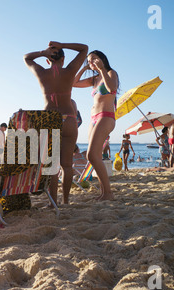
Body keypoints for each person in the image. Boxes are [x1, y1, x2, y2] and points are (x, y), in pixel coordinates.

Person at [24, 41, 88, 206]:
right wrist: (62, 45)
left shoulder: (41, 73)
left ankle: (53, 203)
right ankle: (65, 201)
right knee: (67, 165)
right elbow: (84, 48)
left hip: (50, 119)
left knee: (52, 166)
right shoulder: (70, 71)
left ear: (47, 60)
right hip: (69, 118)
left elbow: (27, 58)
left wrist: (42, 52)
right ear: (64, 59)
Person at [73, 50, 119, 200]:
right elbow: (73, 83)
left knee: (92, 155)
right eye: (89, 61)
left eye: (94, 59)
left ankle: (109, 193)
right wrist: (85, 68)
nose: (91, 62)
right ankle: (104, 192)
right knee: (95, 156)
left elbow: (111, 88)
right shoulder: (94, 79)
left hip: (106, 117)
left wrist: (101, 69)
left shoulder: (111, 73)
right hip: (93, 119)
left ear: (102, 59)